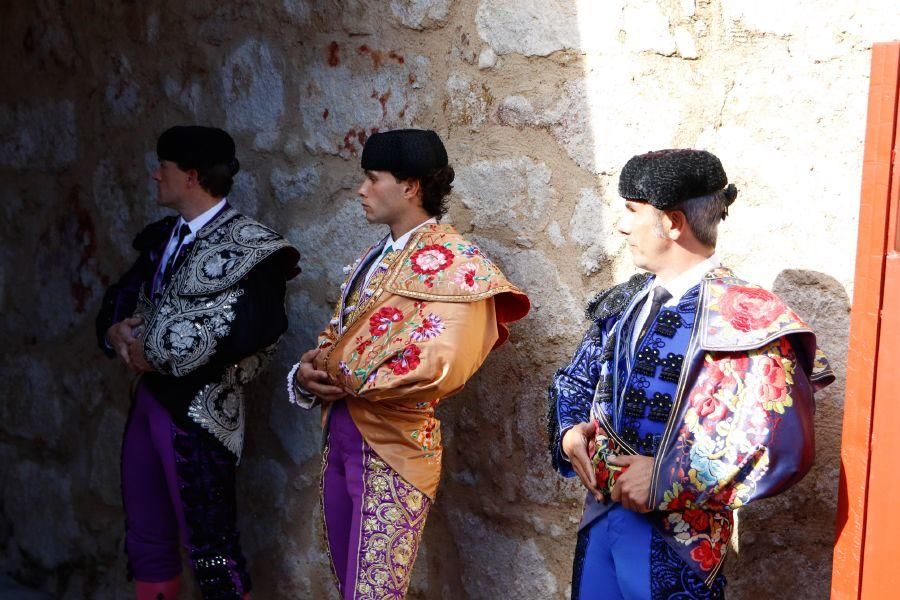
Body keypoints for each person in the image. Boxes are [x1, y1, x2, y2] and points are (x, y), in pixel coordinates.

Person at [547, 149, 835, 599]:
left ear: (673, 223)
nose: (622, 226)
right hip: (600, 517)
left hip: (680, 538)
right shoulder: (628, 300)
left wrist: (666, 475)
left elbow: (778, 439)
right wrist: (569, 431)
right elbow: (577, 378)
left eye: (633, 211)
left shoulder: (747, 316)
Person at [288, 129, 530, 599]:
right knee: (350, 587)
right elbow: (334, 338)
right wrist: (306, 372)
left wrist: (337, 370)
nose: (361, 190)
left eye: (373, 178)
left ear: (410, 187)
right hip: (339, 435)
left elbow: (444, 364)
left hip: (395, 446)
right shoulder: (373, 258)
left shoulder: (459, 264)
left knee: (374, 594)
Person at [96, 126, 300, 600]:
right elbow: (119, 298)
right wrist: (115, 330)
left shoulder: (254, 247)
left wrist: (160, 350)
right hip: (148, 404)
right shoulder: (161, 238)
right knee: (148, 540)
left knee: (211, 550)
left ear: (190, 176)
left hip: (202, 412)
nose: (154, 175)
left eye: (162, 167)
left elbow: (257, 327)